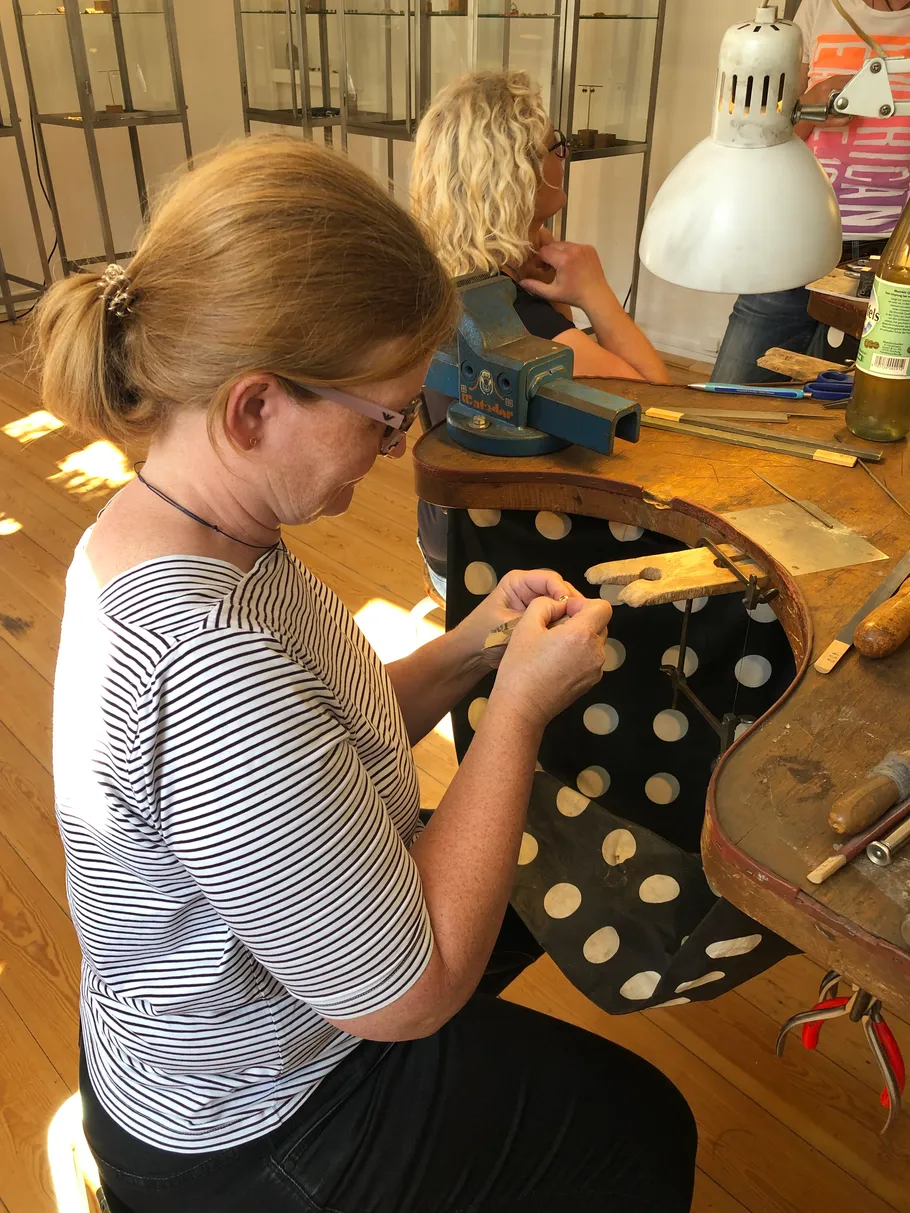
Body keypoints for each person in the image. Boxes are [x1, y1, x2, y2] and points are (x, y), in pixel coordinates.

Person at [39, 136, 696, 1213]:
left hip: (200, 1047)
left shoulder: (179, 525)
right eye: (387, 420)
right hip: (254, 1128)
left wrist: (475, 643)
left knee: (548, 893)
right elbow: (410, 992)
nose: (395, 450)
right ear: (255, 408)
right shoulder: (205, 665)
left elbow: (316, 745)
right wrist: (517, 711)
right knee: (638, 1131)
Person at [411, 70, 670, 596]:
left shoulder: (441, 273)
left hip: (450, 530)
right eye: (558, 145)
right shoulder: (514, 321)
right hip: (508, 550)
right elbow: (655, 403)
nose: (565, 156)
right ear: (520, 173)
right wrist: (595, 291)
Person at [710, 0, 910, 385]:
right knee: (734, 388)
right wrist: (812, 104)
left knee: (860, 398)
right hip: (795, 234)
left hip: (890, 253)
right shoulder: (820, 7)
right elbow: (770, 134)